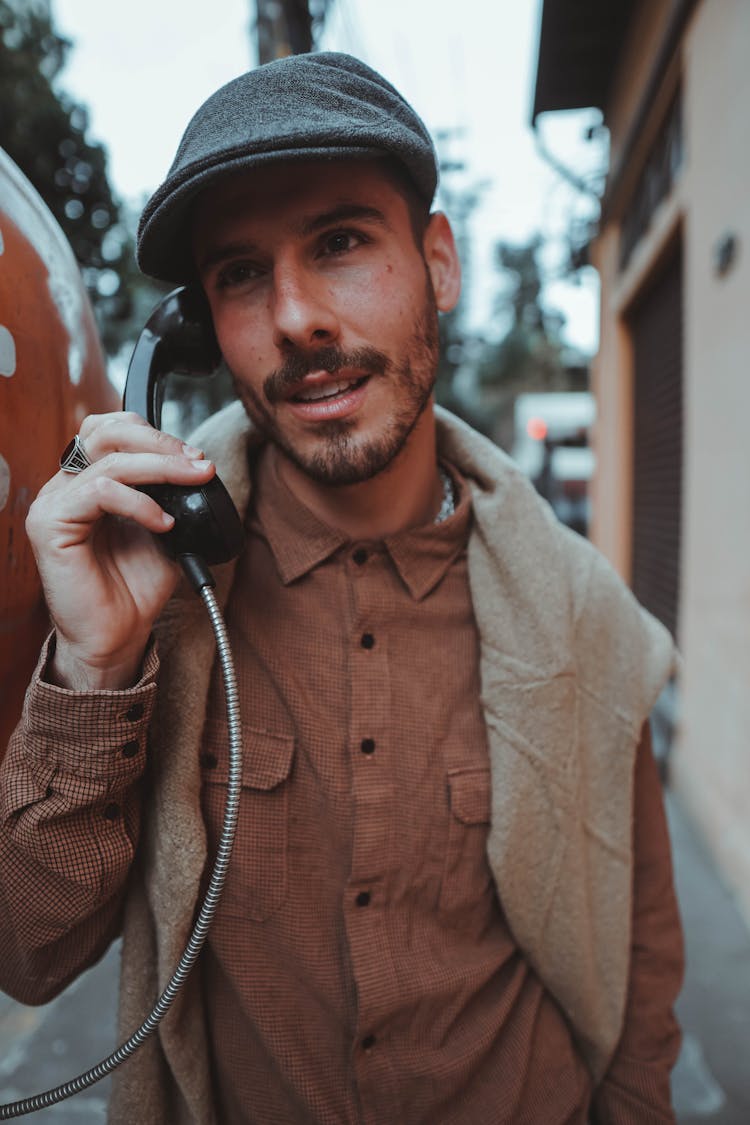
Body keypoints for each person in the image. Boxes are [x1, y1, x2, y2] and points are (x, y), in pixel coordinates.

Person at [0, 52, 683, 1124]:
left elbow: (640, 960)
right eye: (239, 273)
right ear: (197, 335)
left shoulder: (582, 612)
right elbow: (28, 959)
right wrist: (94, 669)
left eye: (342, 243)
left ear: (439, 264)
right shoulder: (158, 604)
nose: (297, 319)